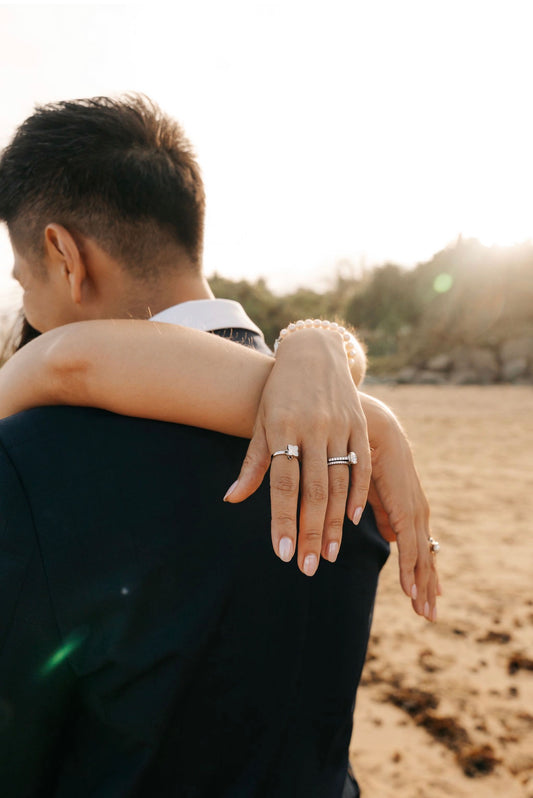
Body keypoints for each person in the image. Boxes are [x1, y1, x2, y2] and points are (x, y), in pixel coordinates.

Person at [0, 95, 439, 796]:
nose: (26, 307)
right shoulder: (345, 439)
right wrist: (319, 341)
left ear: (63, 255)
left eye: (22, 282)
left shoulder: (28, 457)